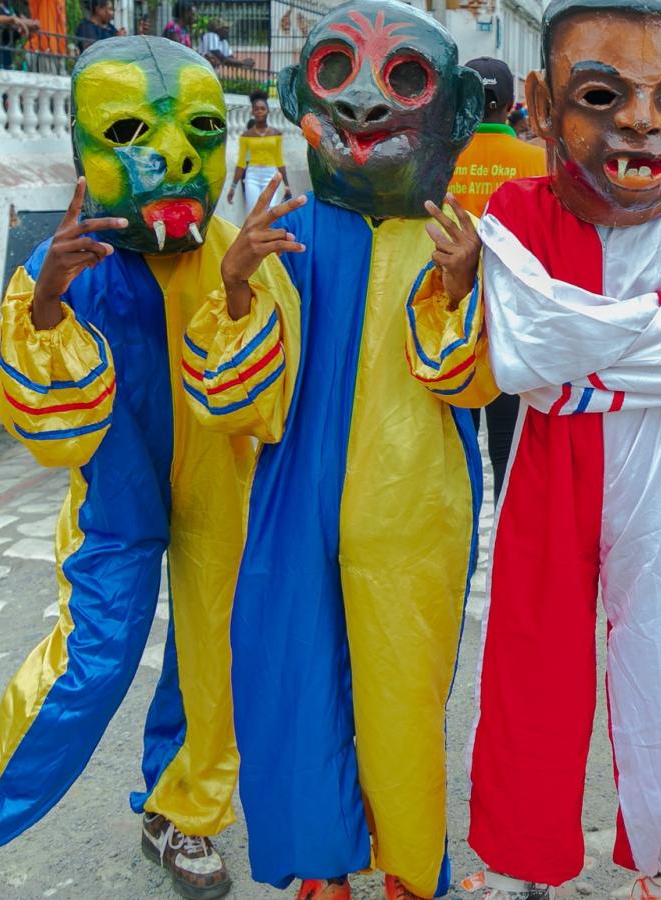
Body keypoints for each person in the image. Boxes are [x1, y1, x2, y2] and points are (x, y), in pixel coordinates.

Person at [0, 38, 293, 900]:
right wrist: (46, 299)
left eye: (200, 129)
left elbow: (252, 406)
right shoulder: (64, 262)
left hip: (217, 491)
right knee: (93, 663)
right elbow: (53, 428)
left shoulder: (243, 252)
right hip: (115, 499)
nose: (176, 156)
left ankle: (180, 813)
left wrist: (235, 287)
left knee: (214, 658)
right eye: (129, 131)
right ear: (82, 147)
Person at [193, 3, 487, 897]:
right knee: (291, 673)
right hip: (292, 494)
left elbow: (470, 382)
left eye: (404, 79)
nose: (362, 104)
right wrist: (236, 288)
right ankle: (321, 865)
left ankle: (407, 865)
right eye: (334, 73)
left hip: (415, 497)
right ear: (295, 95)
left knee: (402, 688)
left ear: (458, 111)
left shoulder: (455, 237)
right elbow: (235, 399)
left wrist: (460, 286)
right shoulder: (288, 234)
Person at [448, 0, 661, 896]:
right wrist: (643, 347)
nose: (640, 124)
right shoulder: (515, 210)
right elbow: (525, 360)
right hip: (550, 466)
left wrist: (583, 363)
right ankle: (525, 854)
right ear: (542, 104)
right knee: (534, 661)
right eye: (602, 96)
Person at [441, 56, 546, 500]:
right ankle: (504, 529)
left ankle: (460, 526)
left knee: (452, 441)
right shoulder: (539, 160)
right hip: (512, 321)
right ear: (510, 105)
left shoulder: (437, 159)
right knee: (506, 444)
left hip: (447, 319)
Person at [225, 89, 290, 212]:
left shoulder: (276, 134)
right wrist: (233, 186)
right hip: (252, 177)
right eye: (256, 109)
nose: (259, 111)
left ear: (268, 110)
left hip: (271, 175)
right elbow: (241, 163)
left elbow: (279, 160)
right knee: (253, 211)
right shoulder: (246, 135)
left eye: (262, 108)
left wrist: (286, 185)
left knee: (269, 211)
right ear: (252, 112)